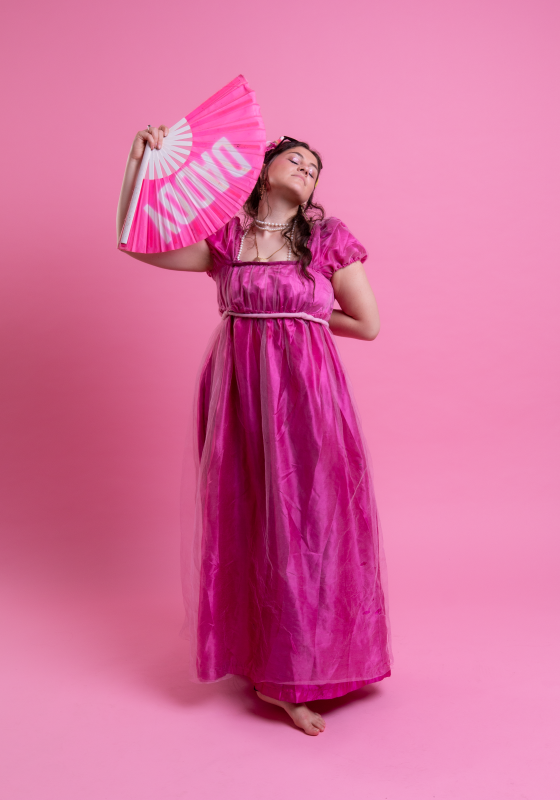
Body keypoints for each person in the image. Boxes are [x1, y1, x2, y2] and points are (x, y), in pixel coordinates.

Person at [117, 126, 392, 736]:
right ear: (264, 171)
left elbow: (367, 323)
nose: (308, 169)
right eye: (296, 159)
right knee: (249, 516)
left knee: (310, 523)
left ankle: (300, 669)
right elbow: (134, 242)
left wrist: (303, 313)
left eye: (315, 167)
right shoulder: (226, 238)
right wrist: (137, 164)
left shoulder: (327, 238)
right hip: (239, 391)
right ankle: (266, 661)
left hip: (308, 395)